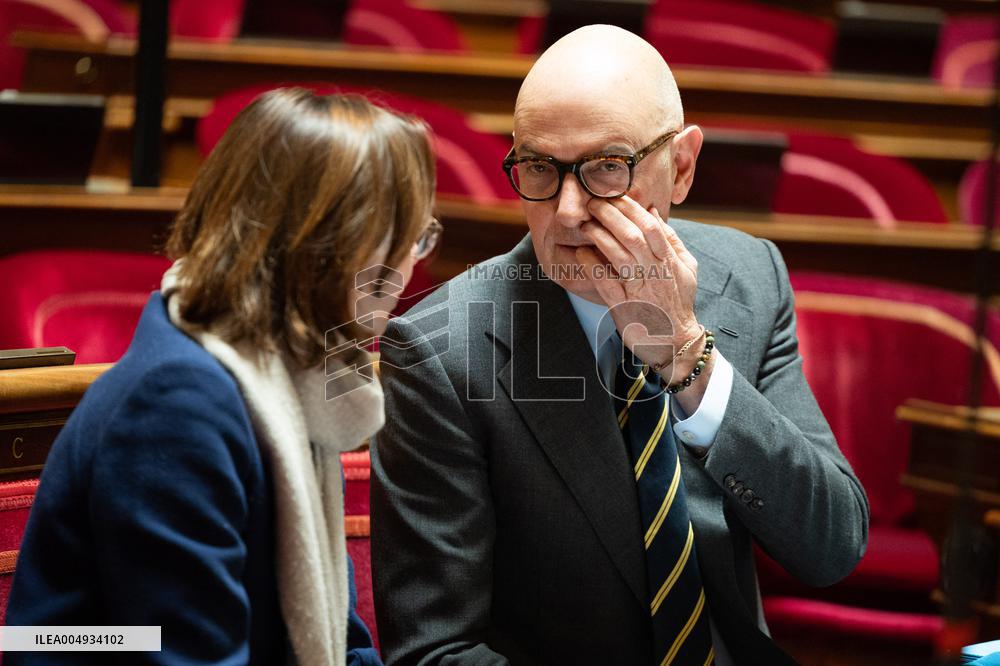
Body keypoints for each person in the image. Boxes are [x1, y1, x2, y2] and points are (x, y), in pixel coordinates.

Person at [370, 25, 869, 665]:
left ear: (681, 167)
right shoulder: (442, 350)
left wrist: (687, 354)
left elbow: (832, 546)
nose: (571, 211)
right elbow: (433, 653)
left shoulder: (748, 275)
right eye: (540, 169)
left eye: (608, 167)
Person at [6, 88, 440, 665]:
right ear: (328, 248)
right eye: (409, 237)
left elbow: (340, 645)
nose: (414, 262)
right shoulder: (177, 406)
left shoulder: (292, 379)